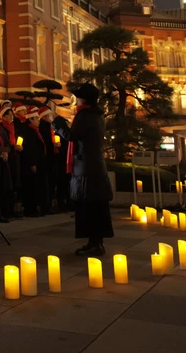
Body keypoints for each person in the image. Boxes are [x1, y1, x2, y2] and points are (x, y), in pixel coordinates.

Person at [61, 83, 113, 257]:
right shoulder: (96, 115)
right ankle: (95, 242)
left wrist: (55, 121)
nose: (76, 100)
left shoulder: (85, 115)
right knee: (95, 207)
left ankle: (95, 244)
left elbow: (72, 135)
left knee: (90, 207)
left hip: (87, 170)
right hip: (93, 168)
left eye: (79, 97)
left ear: (84, 99)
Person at [19, 108, 49, 217]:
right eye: (36, 118)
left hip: (38, 161)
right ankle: (30, 209)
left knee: (36, 186)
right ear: (30, 119)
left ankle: (35, 207)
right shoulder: (28, 131)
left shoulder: (35, 130)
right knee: (31, 186)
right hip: (32, 163)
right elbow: (30, 149)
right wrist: (32, 163)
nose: (38, 120)